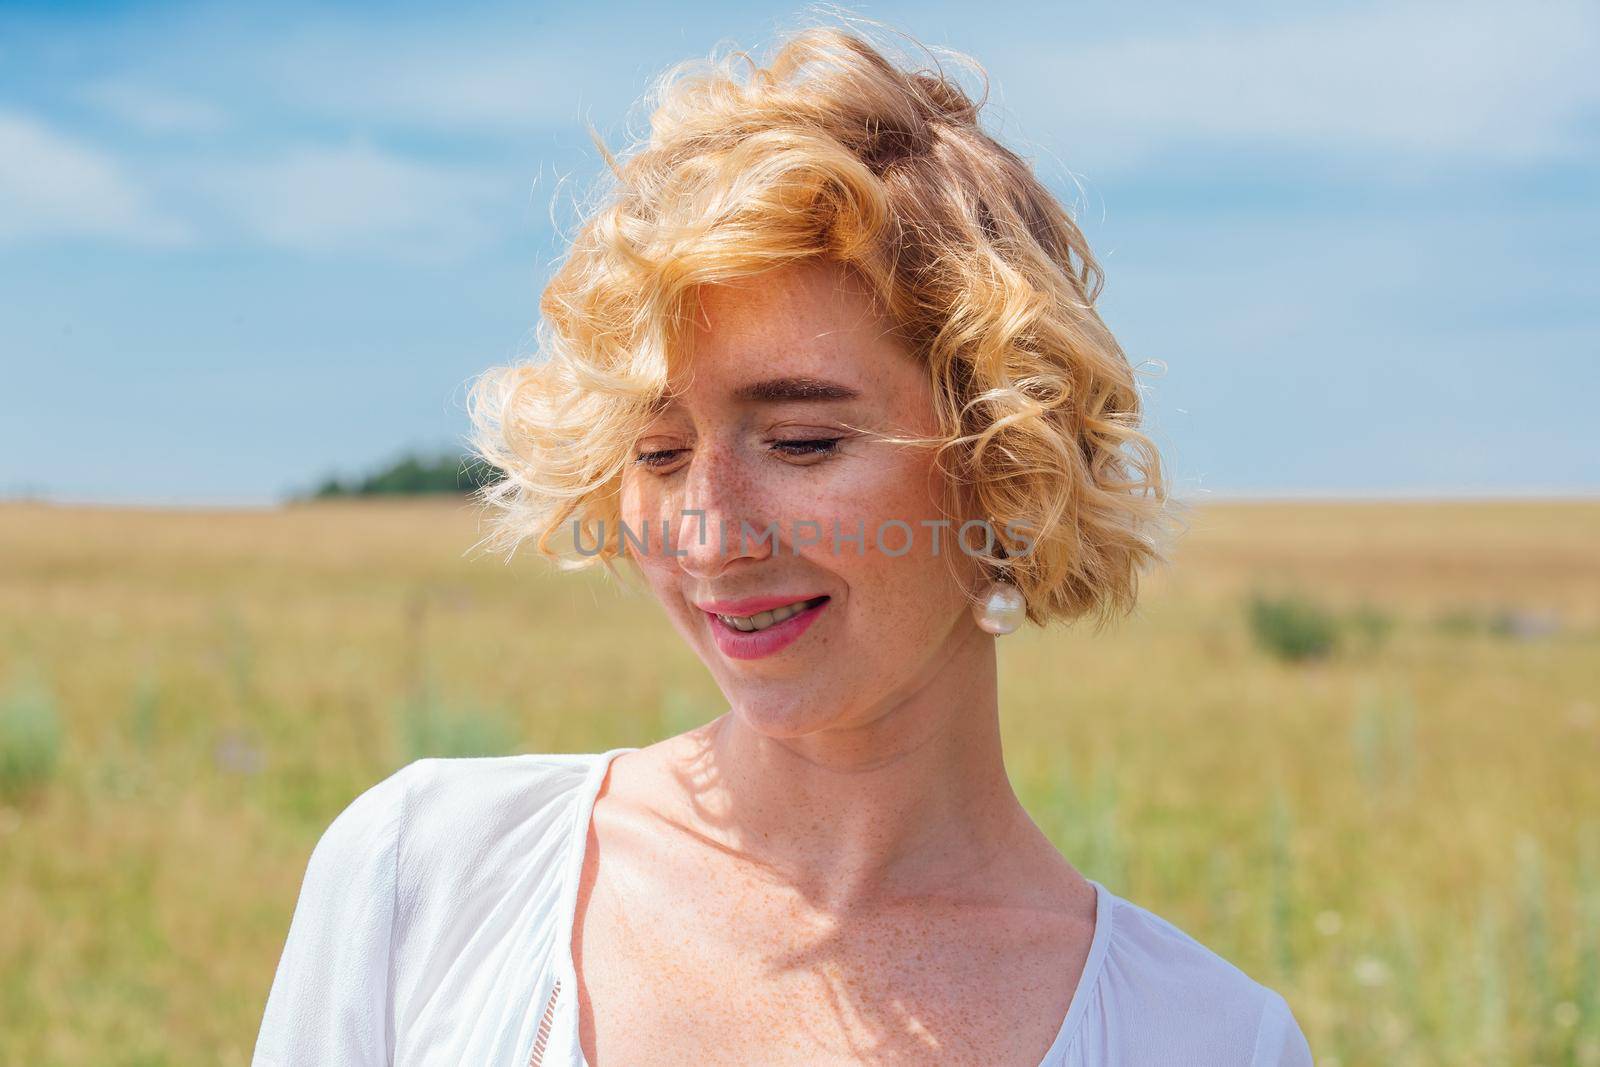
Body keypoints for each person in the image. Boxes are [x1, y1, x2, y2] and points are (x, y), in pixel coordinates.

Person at [253, 19, 1315, 1067]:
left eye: (802, 441)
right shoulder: (425, 877)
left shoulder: (1207, 1038)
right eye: (659, 451)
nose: (710, 535)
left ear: (1005, 459)